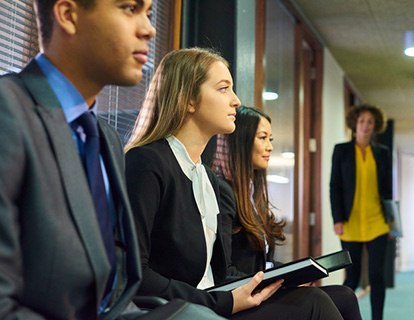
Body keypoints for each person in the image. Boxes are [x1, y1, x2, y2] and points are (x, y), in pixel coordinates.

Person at [0, 0, 222, 318]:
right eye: (129, 8)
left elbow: (113, 292)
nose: (148, 29)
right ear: (68, 15)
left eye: (149, 12)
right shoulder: (8, 111)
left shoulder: (106, 138)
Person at [124, 47, 343, 319]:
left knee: (340, 297)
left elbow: (220, 271)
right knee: (313, 303)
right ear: (188, 100)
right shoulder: (147, 162)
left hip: (212, 301)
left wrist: (277, 279)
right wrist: (220, 302)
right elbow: (134, 274)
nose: (237, 101)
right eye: (224, 89)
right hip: (182, 309)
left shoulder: (207, 178)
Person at [212, 106, 362, 320]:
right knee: (315, 300)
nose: (270, 147)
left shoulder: (252, 194)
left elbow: (263, 265)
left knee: (345, 296)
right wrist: (278, 283)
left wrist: (296, 274)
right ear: (242, 142)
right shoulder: (225, 192)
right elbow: (224, 272)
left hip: (260, 289)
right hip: (241, 298)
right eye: (262, 138)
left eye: (270, 139)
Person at [329, 104, 392, 320]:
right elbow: (334, 187)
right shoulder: (342, 150)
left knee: (377, 276)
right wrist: (337, 219)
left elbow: (388, 190)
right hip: (350, 223)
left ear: (376, 126)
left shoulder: (382, 153)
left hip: (378, 223)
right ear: (355, 123)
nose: (366, 125)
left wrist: (392, 223)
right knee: (352, 278)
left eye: (370, 122)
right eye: (362, 120)